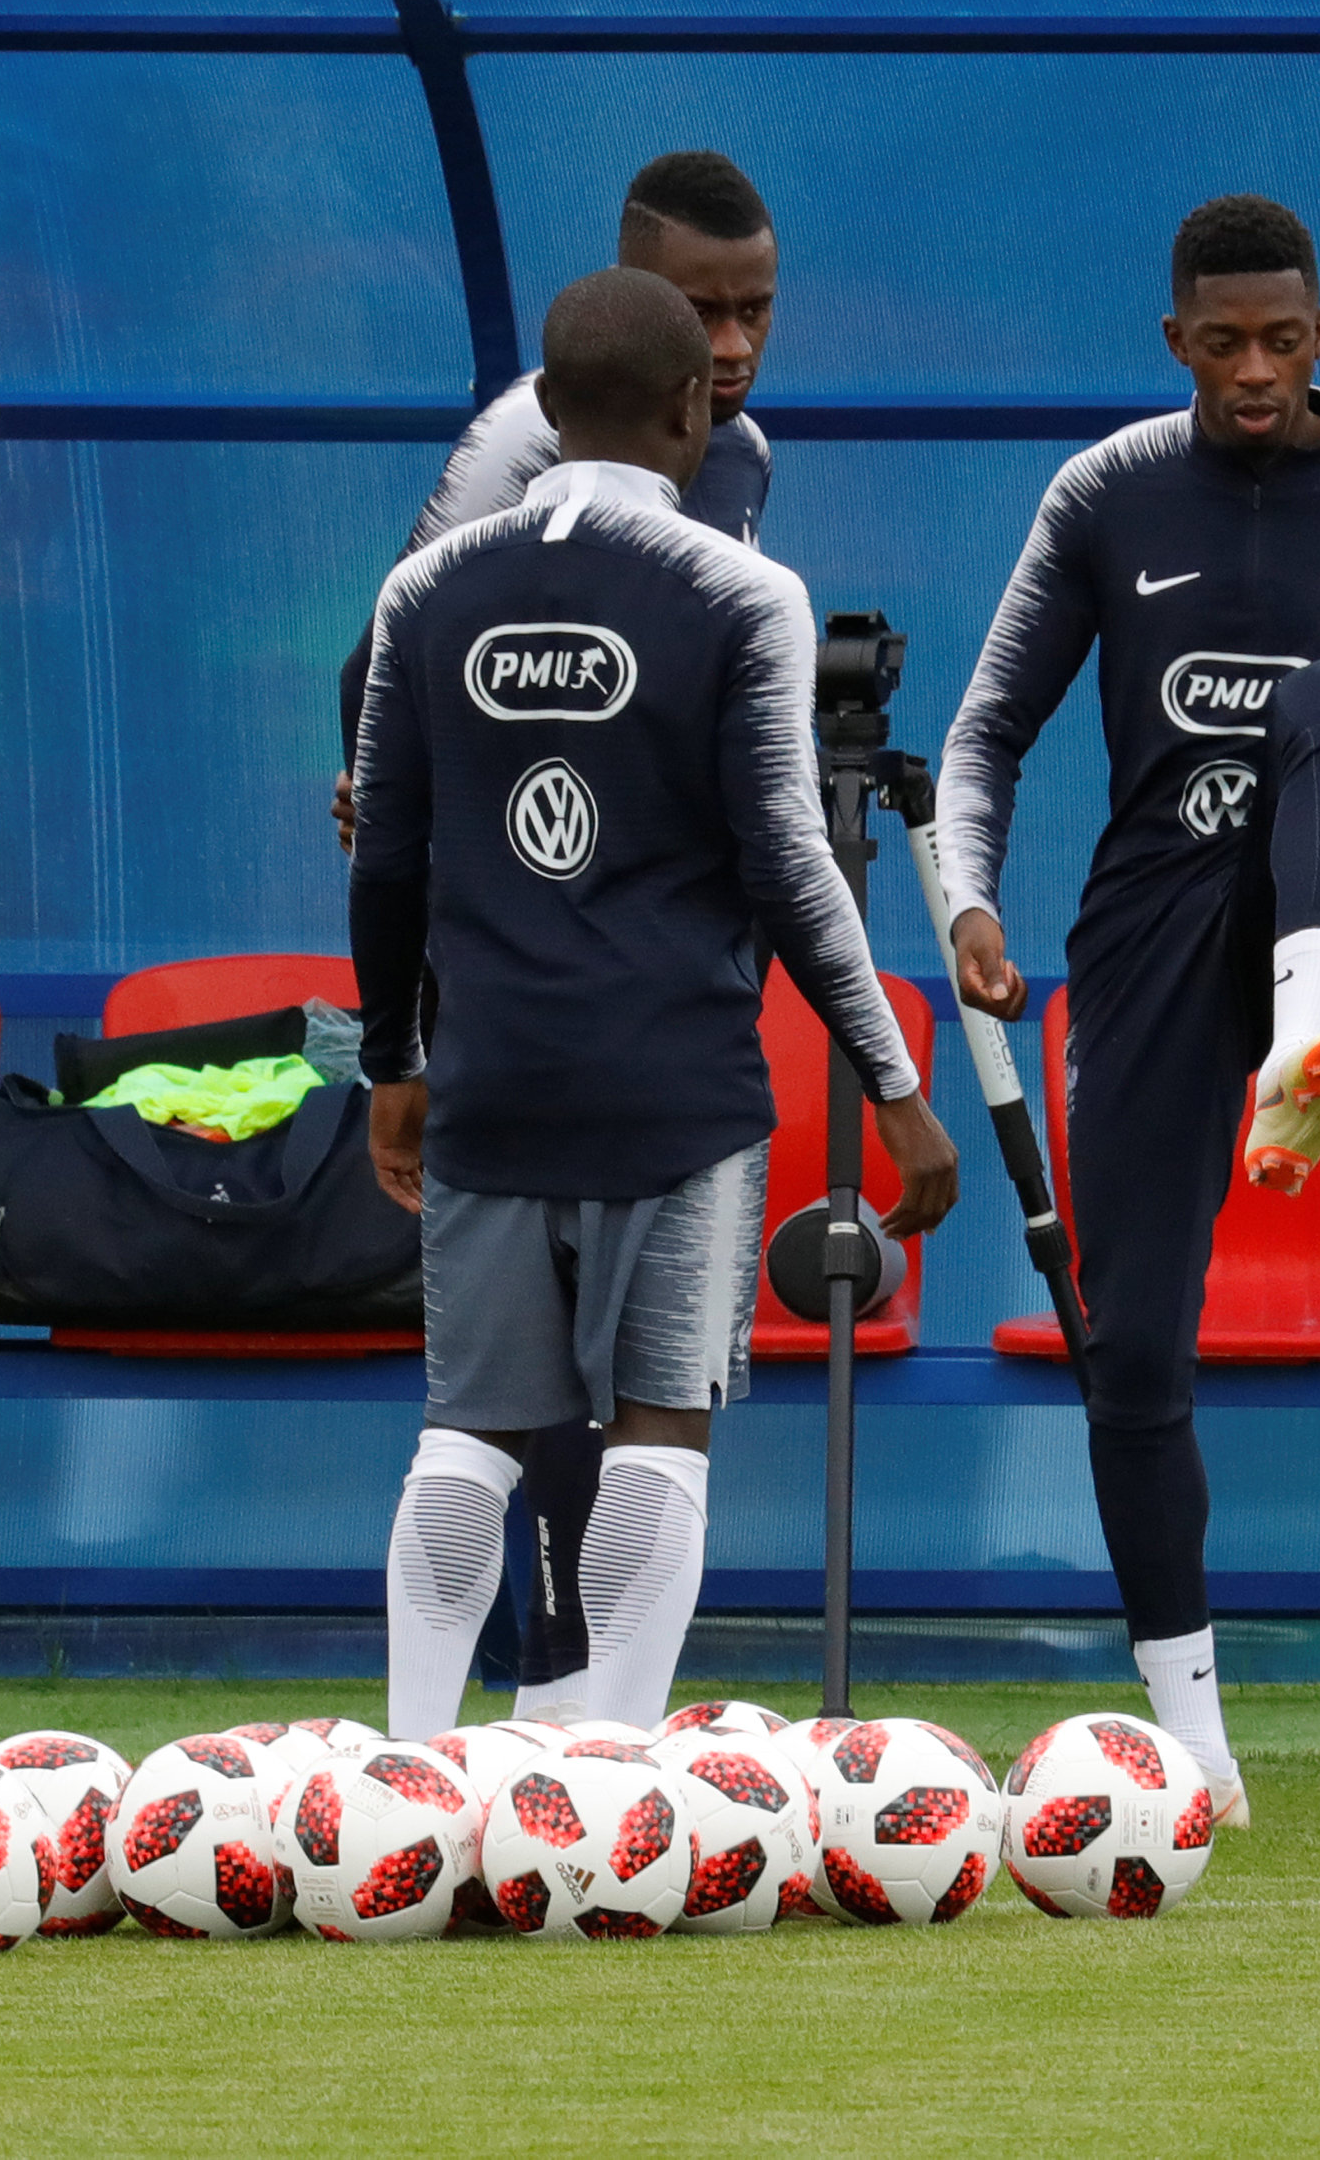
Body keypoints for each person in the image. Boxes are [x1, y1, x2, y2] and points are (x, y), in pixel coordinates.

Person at [935, 195, 1320, 1824]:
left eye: (1283, 340)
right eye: (1224, 344)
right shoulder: (1105, 493)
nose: (1257, 370)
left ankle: (1303, 1045)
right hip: (1151, 934)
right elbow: (986, 732)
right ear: (1177, 344)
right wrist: (971, 904)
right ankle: (1195, 1741)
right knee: (1131, 1345)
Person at [350, 267, 958, 1742]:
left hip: (490, 1083)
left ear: (550, 413)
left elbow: (385, 856)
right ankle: (613, 1773)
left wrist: (393, 1061)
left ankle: (408, 1775)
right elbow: (789, 865)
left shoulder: (424, 591)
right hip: (677, 1099)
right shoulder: (745, 594)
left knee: (468, 1432)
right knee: (659, 1431)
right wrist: (893, 1086)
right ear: (694, 410)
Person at [332, 148, 783, 1722]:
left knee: (618, 1367)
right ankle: (544, 1701)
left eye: (756, 309)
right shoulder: (520, 441)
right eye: (703, 311)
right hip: (510, 943)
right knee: (526, 1381)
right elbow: (387, 651)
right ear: (628, 290)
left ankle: (568, 1720)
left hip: (652, 959)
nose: (733, 344)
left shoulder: (738, 455)